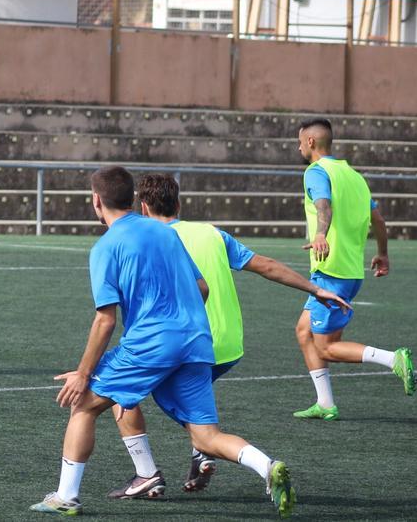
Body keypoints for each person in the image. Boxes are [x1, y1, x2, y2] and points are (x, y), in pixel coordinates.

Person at [29, 166, 295, 518]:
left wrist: (82, 372)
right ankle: (268, 467)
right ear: (131, 198)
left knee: (85, 405)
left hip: (152, 344)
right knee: (206, 437)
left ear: (96, 201)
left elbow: (105, 319)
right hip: (197, 341)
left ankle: (65, 496)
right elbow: (201, 288)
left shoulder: (106, 246)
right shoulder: (165, 234)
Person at [106, 172, 350, 500]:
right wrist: (316, 288)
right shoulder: (212, 234)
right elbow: (264, 265)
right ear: (178, 204)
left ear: (144, 207)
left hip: (181, 345)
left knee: (123, 393)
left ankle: (148, 472)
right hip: (228, 346)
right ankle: (202, 453)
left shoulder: (147, 240)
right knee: (193, 414)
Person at [291, 118, 414, 420]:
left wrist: (320, 234)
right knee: (304, 331)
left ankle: (392, 359)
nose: (297, 147)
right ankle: (325, 403)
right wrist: (382, 254)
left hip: (332, 272)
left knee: (327, 348)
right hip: (348, 272)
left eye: (299, 141)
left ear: (310, 143)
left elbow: (324, 206)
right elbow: (380, 222)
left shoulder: (316, 172)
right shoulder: (354, 176)